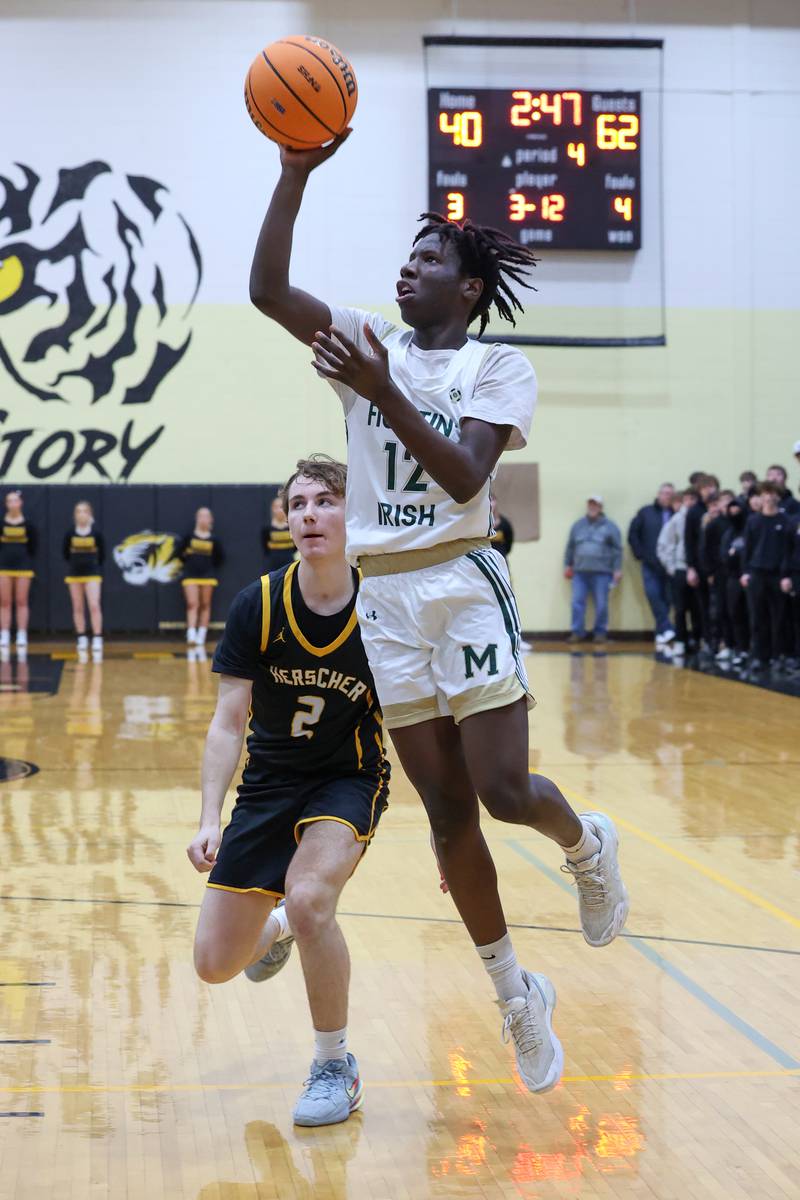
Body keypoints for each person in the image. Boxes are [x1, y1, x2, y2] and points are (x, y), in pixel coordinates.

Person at [249, 132, 629, 1097]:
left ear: (466, 289)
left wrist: (383, 393)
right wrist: (293, 173)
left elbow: (464, 475)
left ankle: (586, 845)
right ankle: (515, 994)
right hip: (386, 599)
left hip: (461, 582)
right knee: (447, 812)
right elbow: (268, 290)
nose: (407, 271)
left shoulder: (498, 369)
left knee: (502, 792)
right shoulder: (368, 341)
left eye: (427, 262)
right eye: (405, 260)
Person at [187, 456, 389, 1127]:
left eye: (325, 501)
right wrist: (209, 816)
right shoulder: (261, 604)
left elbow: (417, 727)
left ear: (350, 513)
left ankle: (335, 1064)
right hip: (270, 782)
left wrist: (449, 838)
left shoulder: (383, 607)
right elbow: (227, 721)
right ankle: (272, 930)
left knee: (310, 898)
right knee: (214, 966)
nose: (309, 515)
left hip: (347, 776)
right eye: (297, 504)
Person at [741, 482, 791, 671]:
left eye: (772, 494)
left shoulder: (785, 521)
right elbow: (747, 549)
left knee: (778, 618)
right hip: (757, 573)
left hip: (777, 575)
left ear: (778, 496)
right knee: (757, 617)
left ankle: (777, 655)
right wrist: (745, 572)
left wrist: (786, 575)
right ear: (760, 498)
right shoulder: (753, 521)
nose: (768, 498)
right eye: (765, 494)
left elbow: (787, 551)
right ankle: (759, 656)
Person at [563, 496, 622, 645]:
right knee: (577, 602)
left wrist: (617, 569)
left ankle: (600, 633)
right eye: (590, 504)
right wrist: (567, 565)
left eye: (595, 505)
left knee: (602, 603)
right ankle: (577, 632)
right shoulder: (578, 525)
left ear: (601, 507)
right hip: (580, 572)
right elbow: (570, 547)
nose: (592, 507)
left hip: (602, 573)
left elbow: (617, 550)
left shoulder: (610, 526)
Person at [627, 483, 675, 648]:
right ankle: (667, 628)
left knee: (668, 599)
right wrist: (640, 553)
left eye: (670, 494)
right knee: (653, 595)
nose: (667, 496)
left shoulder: (676, 513)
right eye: (664, 493)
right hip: (650, 563)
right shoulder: (645, 512)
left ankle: (661, 633)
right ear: (658, 494)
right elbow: (633, 533)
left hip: (670, 565)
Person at [656, 488, 700, 657]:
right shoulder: (677, 520)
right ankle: (680, 641)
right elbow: (664, 545)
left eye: (693, 499)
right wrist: (672, 568)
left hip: (698, 569)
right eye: (686, 499)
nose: (690, 502)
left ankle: (697, 639)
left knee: (698, 609)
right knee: (680, 608)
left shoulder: (702, 517)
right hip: (680, 569)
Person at [489, 492, 532, 653]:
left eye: (493, 500)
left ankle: (516, 639)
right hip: (483, 573)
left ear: (497, 503)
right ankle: (490, 640)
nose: (491, 504)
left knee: (507, 604)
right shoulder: (479, 524)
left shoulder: (505, 524)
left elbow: (509, 546)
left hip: (502, 570)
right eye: (488, 501)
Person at [63, 500, 105, 662]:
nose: (81, 514)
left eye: (84, 511)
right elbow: (65, 553)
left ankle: (97, 637)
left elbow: (102, 555)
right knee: (78, 606)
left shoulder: (96, 533)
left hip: (92, 573)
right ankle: (81, 637)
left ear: (90, 514)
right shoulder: (70, 533)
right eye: (78, 511)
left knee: (94, 605)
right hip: (74, 573)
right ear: (75, 515)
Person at [178, 507, 223, 647]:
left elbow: (220, 558)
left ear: (211, 520)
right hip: (190, 575)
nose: (203, 519)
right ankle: (191, 634)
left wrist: (209, 567)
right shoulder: (188, 537)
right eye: (201, 516)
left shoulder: (214, 539)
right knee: (192, 604)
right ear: (197, 518)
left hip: (208, 576)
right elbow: (179, 554)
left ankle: (201, 635)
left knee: (205, 604)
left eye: (206, 516)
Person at [0, 489, 36, 659]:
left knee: (22, 601)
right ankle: (5, 634)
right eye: (9, 501)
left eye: (15, 500)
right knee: (5, 602)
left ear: (20, 503)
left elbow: (34, 547)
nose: (13, 503)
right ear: (6, 504)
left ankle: (22, 634)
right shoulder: (1, 523)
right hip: (4, 566)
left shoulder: (28, 524)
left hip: (23, 566)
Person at [719, 499, 750, 668]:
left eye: (738, 511)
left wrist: (735, 554)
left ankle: (755, 650)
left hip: (749, 576)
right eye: (732, 512)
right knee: (735, 614)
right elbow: (725, 557)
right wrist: (732, 556)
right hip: (733, 578)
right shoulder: (728, 534)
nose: (735, 515)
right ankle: (739, 648)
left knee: (752, 615)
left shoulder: (749, 530)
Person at [780, 510, 800, 669]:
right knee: (796, 618)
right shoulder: (794, 521)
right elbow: (786, 550)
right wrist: (785, 575)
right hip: (797, 574)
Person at [262, 494, 296, 571]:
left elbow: (295, 547)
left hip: (289, 562)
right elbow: (265, 548)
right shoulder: (267, 528)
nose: (279, 510)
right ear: (272, 509)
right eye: (276, 507)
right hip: (273, 564)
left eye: (281, 507)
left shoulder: (291, 527)